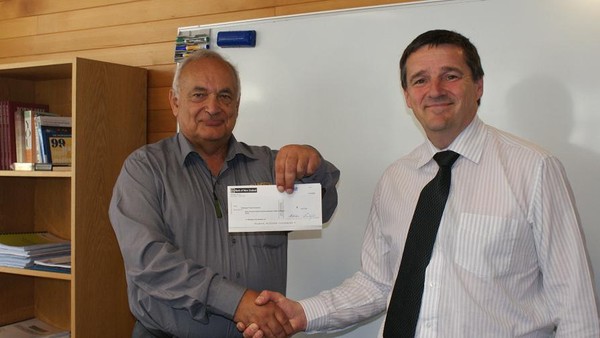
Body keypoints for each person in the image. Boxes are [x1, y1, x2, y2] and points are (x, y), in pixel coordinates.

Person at [239, 29, 600, 337]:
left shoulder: (534, 169)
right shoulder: (396, 179)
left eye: (451, 75)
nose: (436, 89)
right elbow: (379, 284)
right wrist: (303, 313)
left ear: (479, 86)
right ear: (408, 97)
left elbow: (575, 302)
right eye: (420, 80)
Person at [108, 49, 340, 338]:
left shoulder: (269, 166)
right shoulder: (145, 169)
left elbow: (322, 207)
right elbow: (148, 261)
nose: (213, 107)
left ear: (237, 105)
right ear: (174, 101)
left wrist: (313, 164)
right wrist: (236, 302)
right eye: (199, 95)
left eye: (225, 96)